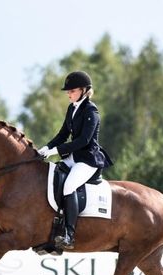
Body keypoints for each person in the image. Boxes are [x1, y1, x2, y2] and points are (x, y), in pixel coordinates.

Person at [37, 71, 113, 250]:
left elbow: (83, 141)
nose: (68, 94)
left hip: (88, 160)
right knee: (52, 179)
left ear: (84, 90)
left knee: (69, 185)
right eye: (68, 91)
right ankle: (54, 229)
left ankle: (69, 234)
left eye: (72, 90)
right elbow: (63, 134)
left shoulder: (91, 111)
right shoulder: (72, 108)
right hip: (73, 158)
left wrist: (56, 151)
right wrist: (46, 148)